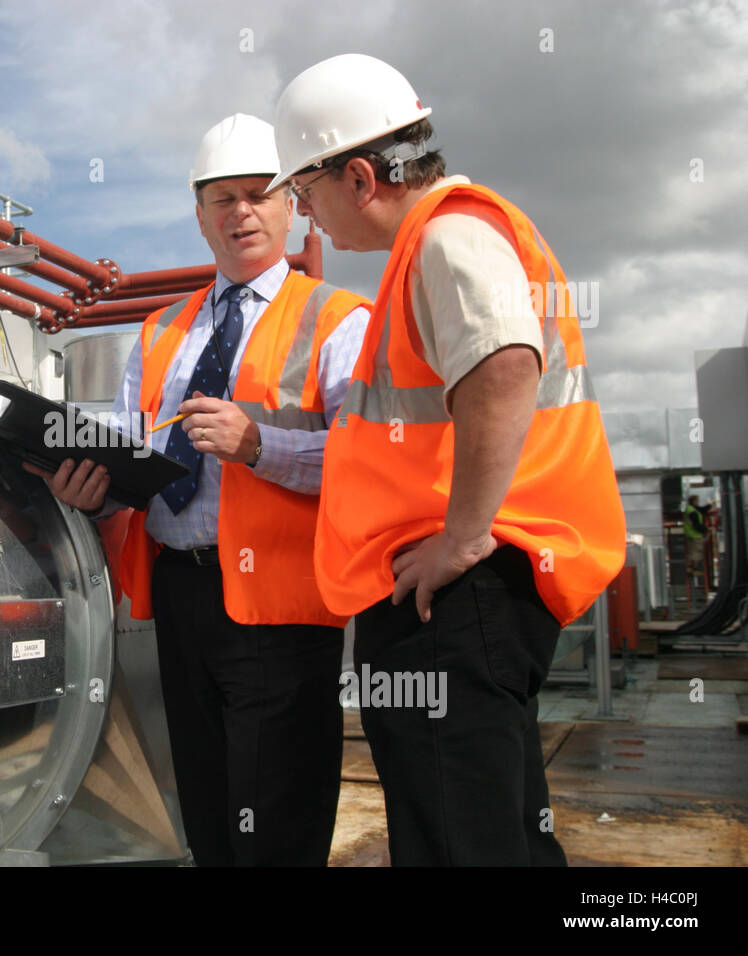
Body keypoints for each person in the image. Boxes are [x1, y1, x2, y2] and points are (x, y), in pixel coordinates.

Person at [268, 55, 626, 865]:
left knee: (458, 840)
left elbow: (503, 363)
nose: (304, 216)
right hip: (460, 596)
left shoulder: (449, 234)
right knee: (489, 829)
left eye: (305, 193)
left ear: (359, 177)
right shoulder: (434, 244)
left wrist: (463, 537)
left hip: (459, 592)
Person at [24, 113, 370, 866]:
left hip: (284, 606)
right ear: (199, 215)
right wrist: (93, 490)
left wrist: (258, 445)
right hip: (181, 598)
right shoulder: (159, 334)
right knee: (205, 811)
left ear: (291, 207)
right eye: (222, 199)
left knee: (279, 811)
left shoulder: (339, 320)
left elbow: (371, 463)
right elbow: (128, 461)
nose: (241, 212)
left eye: (257, 195)